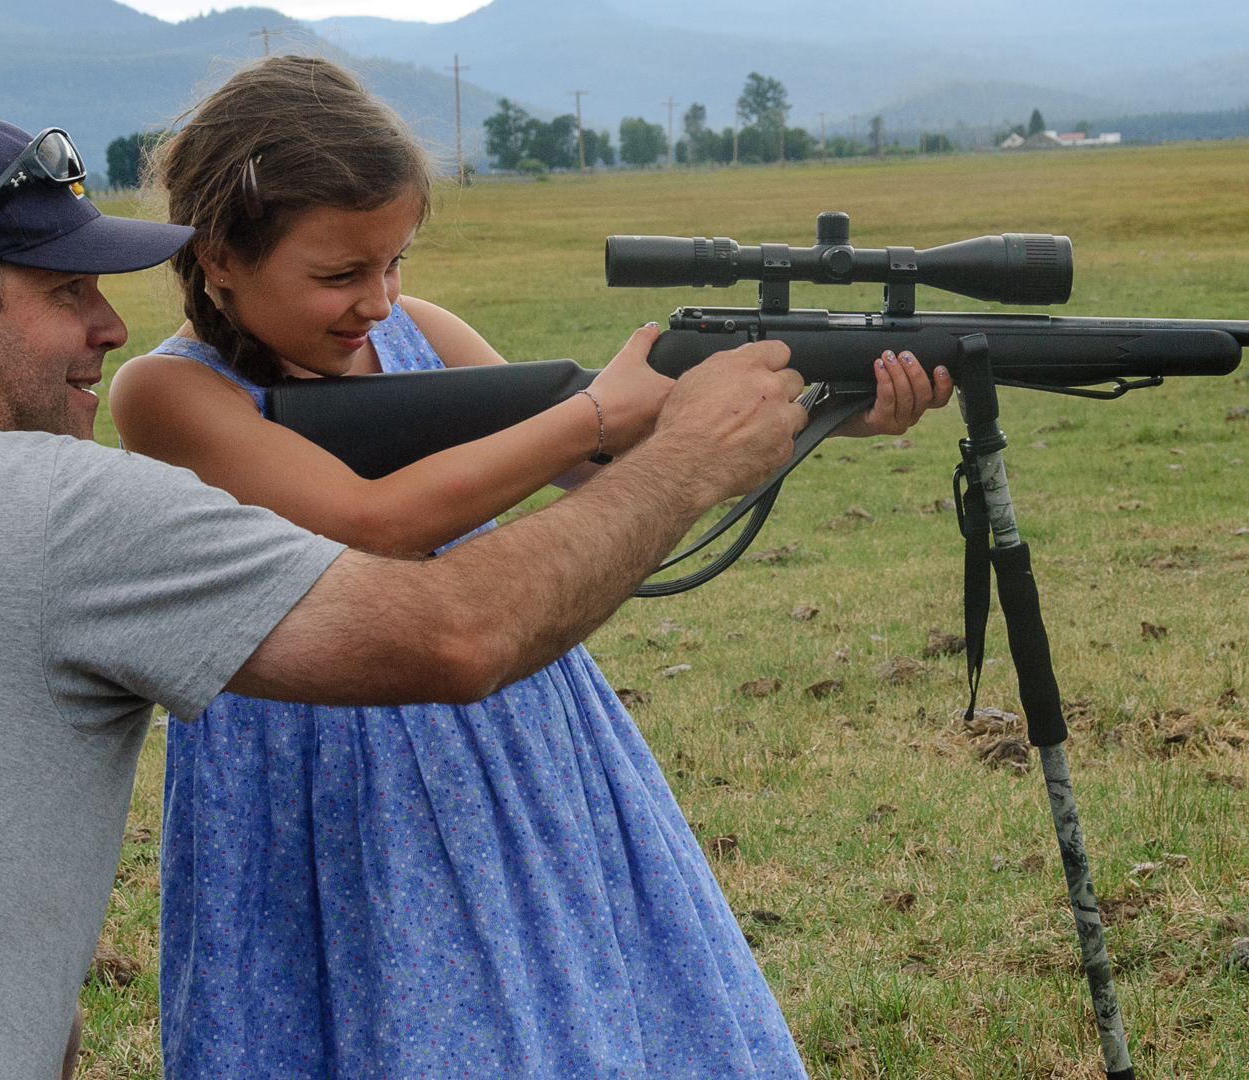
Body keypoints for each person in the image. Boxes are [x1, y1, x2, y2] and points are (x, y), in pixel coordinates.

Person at [0, 114, 807, 1080]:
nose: (110, 328)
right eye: (68, 292)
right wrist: (610, 426)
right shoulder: (76, 488)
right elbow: (436, 606)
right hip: (348, 731)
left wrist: (815, 399)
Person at [107, 57, 953, 1080]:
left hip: (512, 739)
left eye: (395, 264)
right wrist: (595, 410)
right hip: (317, 772)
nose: (378, 301)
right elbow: (372, 523)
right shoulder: (168, 394)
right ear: (220, 256)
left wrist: (823, 409)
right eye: (338, 274)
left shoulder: (426, 335)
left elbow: (609, 465)